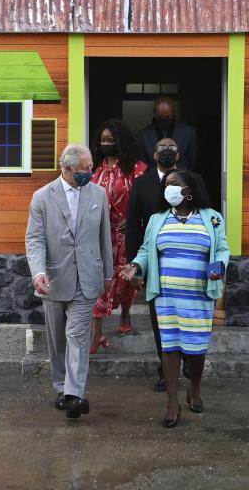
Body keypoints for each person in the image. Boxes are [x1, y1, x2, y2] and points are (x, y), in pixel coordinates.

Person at [121, 171, 229, 428]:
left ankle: (194, 388)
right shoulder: (157, 219)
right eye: (165, 185)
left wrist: (219, 265)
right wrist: (135, 266)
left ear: (188, 188)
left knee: (196, 349)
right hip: (167, 295)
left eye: (173, 184)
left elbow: (223, 248)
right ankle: (172, 403)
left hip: (199, 295)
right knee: (169, 348)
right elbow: (147, 250)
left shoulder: (212, 218)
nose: (168, 188)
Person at [25, 144, 113, 419]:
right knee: (57, 340)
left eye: (91, 167)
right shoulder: (42, 197)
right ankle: (62, 387)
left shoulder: (98, 194)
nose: (91, 172)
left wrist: (108, 275)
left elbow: (104, 237)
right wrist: (38, 272)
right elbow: (35, 239)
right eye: (85, 168)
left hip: (87, 277)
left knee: (77, 335)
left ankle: (75, 394)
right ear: (67, 169)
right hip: (53, 278)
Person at [125, 137, 179, 392]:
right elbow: (133, 227)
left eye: (172, 148)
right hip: (154, 262)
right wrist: (134, 265)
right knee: (159, 319)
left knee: (184, 318)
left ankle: (188, 362)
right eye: (162, 148)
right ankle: (165, 370)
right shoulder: (141, 184)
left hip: (184, 262)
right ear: (154, 155)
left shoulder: (190, 180)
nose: (167, 152)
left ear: (178, 155)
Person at [89, 120, 148, 353]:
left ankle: (125, 312)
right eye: (103, 141)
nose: (106, 144)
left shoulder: (137, 169)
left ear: (120, 142)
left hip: (126, 235)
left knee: (125, 279)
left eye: (111, 141)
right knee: (98, 281)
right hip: (99, 235)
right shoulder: (94, 169)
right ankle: (97, 332)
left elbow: (146, 199)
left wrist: (135, 220)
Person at [136, 95, 198, 172]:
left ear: (173, 113)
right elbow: (142, 166)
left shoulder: (188, 133)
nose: (163, 120)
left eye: (168, 117)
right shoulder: (143, 136)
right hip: (153, 180)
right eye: (160, 117)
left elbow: (192, 162)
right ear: (154, 114)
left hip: (181, 179)